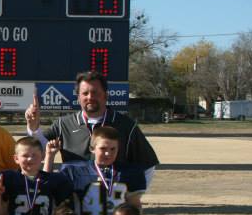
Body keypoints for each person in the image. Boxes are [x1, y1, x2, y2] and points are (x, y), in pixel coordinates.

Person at [25, 70, 159, 186]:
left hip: (112, 201)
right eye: (85, 93)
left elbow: (147, 164)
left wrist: (134, 193)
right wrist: (34, 128)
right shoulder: (64, 124)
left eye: (95, 92)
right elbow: (39, 150)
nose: (90, 97)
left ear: (106, 95)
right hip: (74, 201)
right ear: (78, 97)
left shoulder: (125, 125)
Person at [51, 126, 146, 215]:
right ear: (92, 149)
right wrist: (49, 157)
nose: (108, 153)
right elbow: (48, 186)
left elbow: (135, 205)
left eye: (113, 149)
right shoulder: (74, 170)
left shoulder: (130, 172)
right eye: (103, 148)